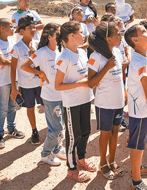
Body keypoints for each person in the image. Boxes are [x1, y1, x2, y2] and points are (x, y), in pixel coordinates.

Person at [54, 21, 95, 182]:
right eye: (80, 32)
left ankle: (81, 159)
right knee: (73, 137)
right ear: (71, 36)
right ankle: (72, 169)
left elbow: (85, 74)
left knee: (85, 132)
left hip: (86, 99)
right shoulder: (63, 57)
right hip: (72, 104)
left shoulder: (81, 52)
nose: (84, 34)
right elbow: (57, 85)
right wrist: (82, 83)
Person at [21, 23, 67, 165]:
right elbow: (24, 66)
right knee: (56, 127)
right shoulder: (41, 52)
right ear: (49, 37)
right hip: (50, 96)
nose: (60, 37)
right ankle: (45, 154)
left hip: (62, 95)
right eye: (58, 35)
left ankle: (57, 149)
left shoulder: (60, 50)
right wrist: (40, 73)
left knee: (61, 125)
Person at [87, 21, 125, 180]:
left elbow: (120, 75)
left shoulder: (117, 51)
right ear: (108, 38)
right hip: (105, 103)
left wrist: (125, 92)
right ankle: (102, 163)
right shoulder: (96, 57)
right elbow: (90, 83)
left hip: (118, 101)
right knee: (105, 133)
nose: (121, 36)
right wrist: (106, 67)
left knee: (116, 131)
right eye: (118, 34)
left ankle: (112, 160)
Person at [124, 24, 147, 190]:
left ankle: (137, 169)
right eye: (144, 32)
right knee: (137, 146)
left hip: (143, 109)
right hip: (141, 111)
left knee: (140, 143)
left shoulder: (142, 57)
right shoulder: (140, 61)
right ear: (135, 40)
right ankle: (135, 181)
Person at [0, 18, 25, 149]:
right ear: (2, 29)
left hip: (14, 79)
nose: (13, 28)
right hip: (2, 81)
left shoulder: (12, 42)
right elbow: (3, 61)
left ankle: (11, 128)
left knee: (13, 105)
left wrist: (10, 61)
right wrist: (14, 61)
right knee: (2, 108)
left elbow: (10, 60)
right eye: (10, 26)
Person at [10, 15, 42, 145]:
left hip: (39, 83)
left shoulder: (38, 44)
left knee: (46, 106)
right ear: (21, 31)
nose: (33, 30)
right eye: (30, 28)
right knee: (30, 108)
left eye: (34, 27)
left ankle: (52, 129)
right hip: (26, 85)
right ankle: (34, 131)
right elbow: (12, 69)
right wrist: (14, 88)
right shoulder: (17, 47)